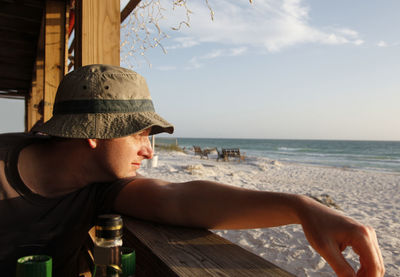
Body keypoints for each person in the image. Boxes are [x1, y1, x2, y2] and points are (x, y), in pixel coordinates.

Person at [0, 64, 384, 276]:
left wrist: (302, 208)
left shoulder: (100, 184)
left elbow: (179, 198)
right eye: (141, 135)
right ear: (94, 134)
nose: (149, 152)